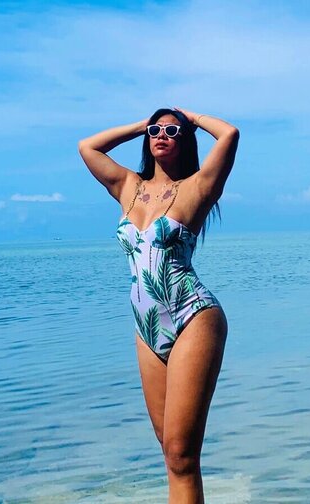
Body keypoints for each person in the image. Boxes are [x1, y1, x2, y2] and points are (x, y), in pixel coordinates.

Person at [78, 107, 239, 503]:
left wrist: (191, 118)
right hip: (146, 327)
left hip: (192, 316)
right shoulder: (128, 186)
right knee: (170, 455)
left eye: (171, 131)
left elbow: (229, 134)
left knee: (183, 455)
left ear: (186, 139)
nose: (161, 135)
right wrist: (141, 126)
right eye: (155, 130)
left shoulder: (198, 187)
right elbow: (88, 147)